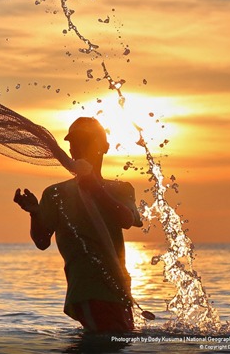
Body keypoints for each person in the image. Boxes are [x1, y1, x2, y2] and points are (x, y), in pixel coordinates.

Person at [14, 117, 143, 333]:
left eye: (86, 141)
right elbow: (42, 241)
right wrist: (35, 214)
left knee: (119, 340)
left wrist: (96, 189)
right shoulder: (56, 193)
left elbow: (127, 220)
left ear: (105, 147)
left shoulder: (121, 189)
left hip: (119, 289)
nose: (78, 148)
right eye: (73, 143)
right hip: (87, 290)